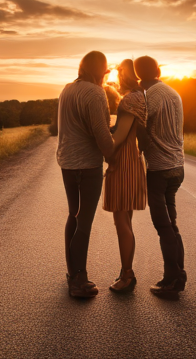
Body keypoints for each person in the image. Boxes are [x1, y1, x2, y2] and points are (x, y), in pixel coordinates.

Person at [57, 51, 114, 298]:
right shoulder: (95, 92)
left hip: (67, 163)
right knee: (85, 222)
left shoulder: (67, 89)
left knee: (74, 214)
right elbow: (101, 134)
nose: (105, 76)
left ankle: (72, 273)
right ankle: (79, 279)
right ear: (99, 71)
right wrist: (115, 158)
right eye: (106, 71)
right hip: (88, 165)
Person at [134, 56, 187, 296]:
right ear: (157, 70)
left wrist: (133, 124)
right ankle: (178, 275)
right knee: (172, 225)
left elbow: (143, 142)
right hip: (178, 168)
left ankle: (171, 279)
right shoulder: (174, 93)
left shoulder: (147, 98)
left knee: (163, 226)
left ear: (138, 75)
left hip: (158, 170)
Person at [103, 59, 147, 293]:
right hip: (133, 159)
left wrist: (100, 143)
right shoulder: (139, 96)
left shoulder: (130, 99)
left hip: (125, 161)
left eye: (119, 72)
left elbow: (118, 138)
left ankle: (128, 275)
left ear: (124, 75)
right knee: (126, 221)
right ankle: (126, 271)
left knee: (122, 221)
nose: (116, 77)